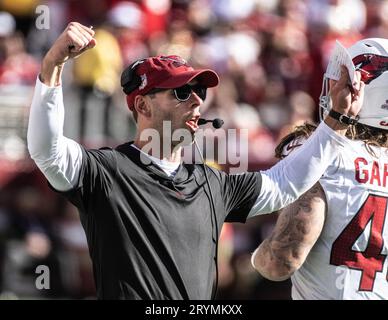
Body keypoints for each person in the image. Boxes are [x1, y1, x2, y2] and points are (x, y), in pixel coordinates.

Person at [27, 22, 364, 300]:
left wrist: (336, 119)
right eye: (181, 92)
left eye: (200, 92)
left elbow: (283, 184)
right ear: (142, 106)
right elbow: (47, 150)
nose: (197, 102)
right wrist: (53, 65)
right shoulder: (107, 171)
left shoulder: (211, 182)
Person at [251, 38, 388, 300]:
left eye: (345, 82)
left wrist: (257, 258)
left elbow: (282, 260)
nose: (334, 86)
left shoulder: (327, 153)